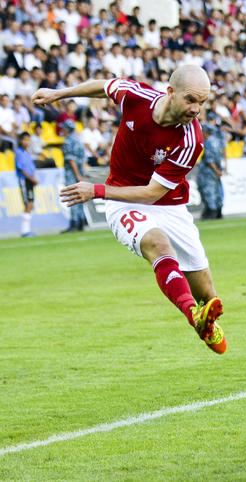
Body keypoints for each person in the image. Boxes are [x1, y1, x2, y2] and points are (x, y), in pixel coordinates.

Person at [32, 65, 228, 355]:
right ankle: (193, 316)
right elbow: (104, 86)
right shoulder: (136, 97)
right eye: (191, 100)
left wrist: (94, 190)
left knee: (208, 295)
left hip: (169, 205)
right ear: (170, 92)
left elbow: (152, 193)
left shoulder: (191, 140)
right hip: (122, 201)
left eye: (202, 102)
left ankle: (204, 319)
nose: (196, 109)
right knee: (158, 245)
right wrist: (59, 94)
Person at [59, 119, 87, 233]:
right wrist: (82, 174)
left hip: (72, 172)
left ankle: (74, 222)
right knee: (80, 196)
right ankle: (82, 221)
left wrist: (77, 174)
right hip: (80, 170)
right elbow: (83, 159)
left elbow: (71, 160)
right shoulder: (78, 140)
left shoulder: (67, 142)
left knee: (73, 196)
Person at [198, 123, 225, 220]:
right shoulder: (217, 141)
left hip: (208, 171)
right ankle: (218, 211)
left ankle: (210, 212)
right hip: (216, 170)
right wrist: (219, 169)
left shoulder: (208, 142)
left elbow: (209, 160)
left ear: (206, 132)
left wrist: (216, 170)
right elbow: (220, 156)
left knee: (208, 191)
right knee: (216, 190)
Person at [15, 132, 38, 237]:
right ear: (20, 141)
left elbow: (32, 167)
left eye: (28, 140)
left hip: (30, 180)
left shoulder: (28, 152)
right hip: (24, 180)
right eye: (25, 140)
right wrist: (31, 179)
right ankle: (25, 231)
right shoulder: (19, 153)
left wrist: (33, 178)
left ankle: (27, 230)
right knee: (28, 204)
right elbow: (21, 169)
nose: (27, 142)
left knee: (30, 204)